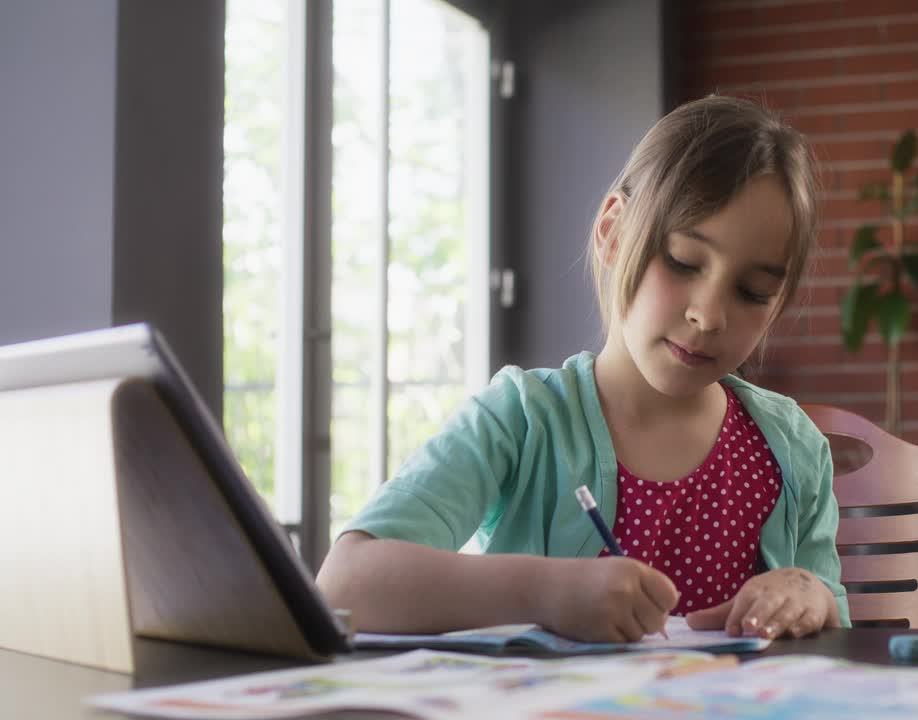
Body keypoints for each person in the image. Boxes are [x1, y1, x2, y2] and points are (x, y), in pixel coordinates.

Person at [317, 95, 850, 643]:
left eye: (753, 292)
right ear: (614, 232)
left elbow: (833, 623)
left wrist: (812, 596)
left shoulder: (792, 450)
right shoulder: (520, 419)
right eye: (684, 262)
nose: (708, 314)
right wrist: (546, 593)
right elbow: (346, 583)